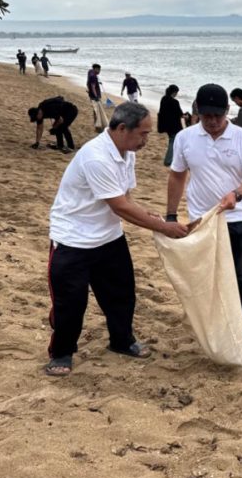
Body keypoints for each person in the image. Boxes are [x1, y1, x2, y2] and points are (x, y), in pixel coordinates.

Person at [45, 102, 189, 377]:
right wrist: (162, 226)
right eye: (143, 134)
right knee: (71, 303)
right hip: (73, 239)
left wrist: (147, 214)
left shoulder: (126, 151)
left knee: (121, 294)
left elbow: (126, 197)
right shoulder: (96, 157)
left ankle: (121, 341)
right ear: (122, 128)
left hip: (109, 236)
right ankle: (62, 353)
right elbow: (120, 207)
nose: (147, 140)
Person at [166, 84, 242, 348]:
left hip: (237, 218)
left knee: (239, 275)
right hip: (201, 220)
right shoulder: (185, 138)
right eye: (206, 116)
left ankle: (238, 323)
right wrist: (171, 215)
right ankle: (212, 321)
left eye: (217, 117)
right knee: (206, 273)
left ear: (227, 111)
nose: (212, 122)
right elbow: (177, 176)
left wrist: (237, 194)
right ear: (197, 111)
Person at [157, 84, 189, 167]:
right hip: (174, 125)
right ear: (174, 92)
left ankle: (172, 159)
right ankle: (168, 160)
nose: (177, 94)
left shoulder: (163, 99)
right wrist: (186, 116)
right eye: (176, 92)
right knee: (173, 142)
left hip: (165, 124)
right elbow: (180, 114)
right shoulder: (174, 102)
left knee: (173, 141)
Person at [87, 63, 107, 132]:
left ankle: (97, 125)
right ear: (96, 69)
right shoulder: (93, 76)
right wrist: (96, 97)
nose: (99, 71)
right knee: (97, 111)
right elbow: (93, 87)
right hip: (94, 96)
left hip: (91, 95)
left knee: (95, 110)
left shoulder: (90, 72)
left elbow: (88, 83)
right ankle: (98, 127)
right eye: (99, 70)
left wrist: (97, 83)